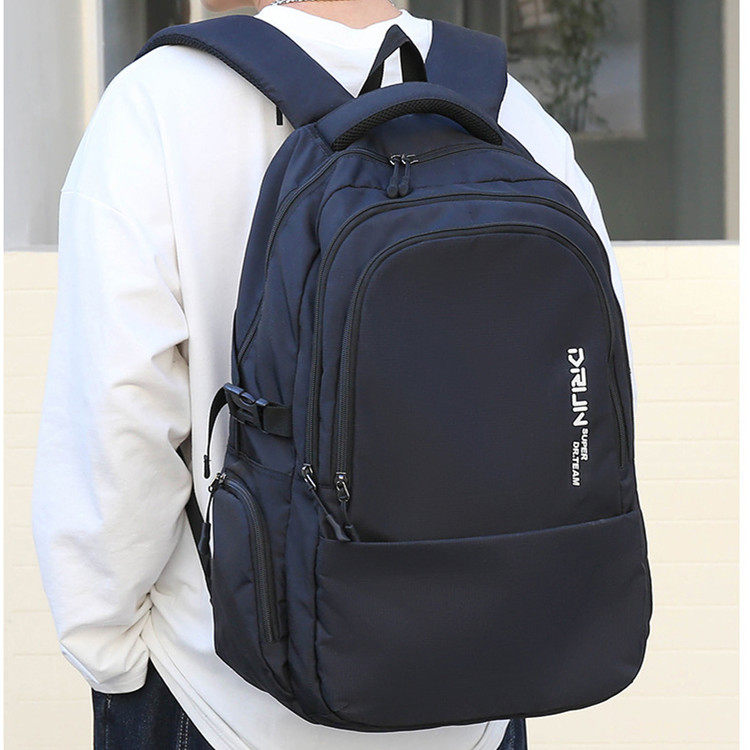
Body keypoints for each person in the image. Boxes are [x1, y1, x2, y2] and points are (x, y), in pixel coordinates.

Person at [32, 0, 629, 748]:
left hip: (225, 698)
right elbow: (595, 397)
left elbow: (117, 421)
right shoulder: (513, 112)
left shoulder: (158, 104)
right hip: (483, 692)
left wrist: (112, 656)